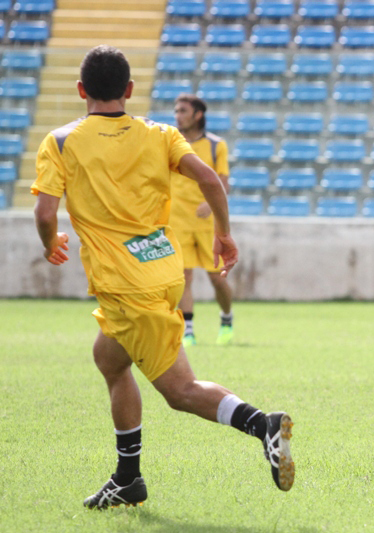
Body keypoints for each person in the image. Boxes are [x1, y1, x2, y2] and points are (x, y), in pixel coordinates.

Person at [32, 45, 294, 509]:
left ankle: (262, 425)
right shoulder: (161, 133)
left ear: (80, 91)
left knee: (180, 391)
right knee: (110, 360)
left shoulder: (61, 141)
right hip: (164, 267)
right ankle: (128, 478)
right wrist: (224, 236)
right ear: (129, 91)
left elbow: (45, 210)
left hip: (125, 285)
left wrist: (50, 242)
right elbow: (211, 180)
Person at [170, 94, 234, 347]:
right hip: (177, 220)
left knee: (217, 278)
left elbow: (224, 183)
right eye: (176, 111)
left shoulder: (216, 145)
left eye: (183, 111)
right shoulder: (170, 143)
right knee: (183, 277)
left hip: (207, 224)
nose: (178, 116)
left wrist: (210, 204)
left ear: (198, 115)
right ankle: (188, 332)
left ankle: (226, 319)